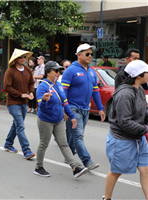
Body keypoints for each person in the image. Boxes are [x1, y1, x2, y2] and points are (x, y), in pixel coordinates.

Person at [34, 61, 88, 178]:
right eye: (56, 71)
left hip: (59, 120)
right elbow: (41, 108)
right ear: (48, 72)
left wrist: (72, 116)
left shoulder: (58, 85)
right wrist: (44, 100)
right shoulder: (42, 87)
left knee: (63, 144)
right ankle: (38, 167)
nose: (59, 73)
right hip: (45, 120)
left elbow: (65, 102)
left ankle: (74, 168)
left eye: (59, 70)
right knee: (44, 144)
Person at [104, 60, 148, 200]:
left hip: (138, 137)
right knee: (116, 172)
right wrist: (145, 129)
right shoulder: (124, 94)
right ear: (139, 75)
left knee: (145, 170)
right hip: (122, 139)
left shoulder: (140, 89)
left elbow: (142, 112)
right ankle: (107, 198)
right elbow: (124, 122)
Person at [61, 43, 105, 170]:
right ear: (79, 55)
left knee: (76, 135)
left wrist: (100, 109)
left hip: (86, 109)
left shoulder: (92, 72)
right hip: (73, 108)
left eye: (91, 54)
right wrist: (66, 109)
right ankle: (87, 161)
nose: (90, 56)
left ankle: (68, 155)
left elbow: (95, 92)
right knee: (78, 136)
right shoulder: (70, 71)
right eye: (87, 54)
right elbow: (64, 92)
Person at [3, 48, 35, 159]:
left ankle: (8, 144)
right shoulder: (10, 71)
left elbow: (31, 83)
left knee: (16, 124)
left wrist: (31, 92)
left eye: (24, 56)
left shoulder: (27, 70)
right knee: (20, 126)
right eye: (20, 57)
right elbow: (7, 87)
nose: (23, 59)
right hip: (13, 102)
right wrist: (21, 94)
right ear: (15, 59)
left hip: (23, 102)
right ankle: (26, 150)